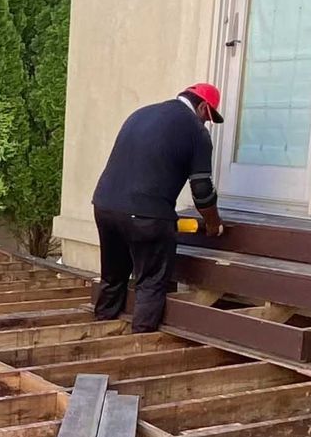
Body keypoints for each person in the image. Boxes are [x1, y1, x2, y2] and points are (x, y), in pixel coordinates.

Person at [90, 83, 225, 331]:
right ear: (204, 107)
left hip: (105, 207)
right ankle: (138, 345)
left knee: (113, 277)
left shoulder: (141, 114)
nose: (207, 123)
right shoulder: (196, 131)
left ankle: (102, 329)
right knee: (150, 284)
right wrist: (214, 224)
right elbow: (202, 191)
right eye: (209, 117)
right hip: (146, 216)